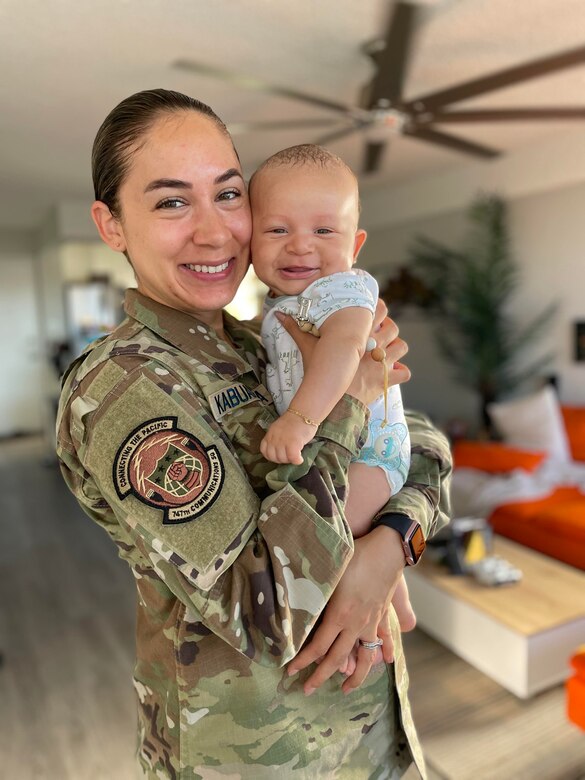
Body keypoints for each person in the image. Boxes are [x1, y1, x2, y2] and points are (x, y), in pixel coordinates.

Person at [56, 88, 452, 779]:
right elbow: (263, 608)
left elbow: (422, 441)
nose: (213, 232)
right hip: (262, 753)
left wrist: (393, 543)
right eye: (171, 201)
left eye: (228, 195)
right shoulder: (124, 388)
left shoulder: (264, 338)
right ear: (112, 224)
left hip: (363, 730)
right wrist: (345, 407)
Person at [250, 144, 410, 541]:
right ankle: (400, 600)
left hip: (367, 453)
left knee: (332, 540)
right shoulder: (281, 304)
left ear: (354, 248)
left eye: (323, 230)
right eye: (277, 230)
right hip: (330, 452)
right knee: (351, 543)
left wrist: (299, 420)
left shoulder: (342, 289)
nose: (300, 245)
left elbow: (345, 348)